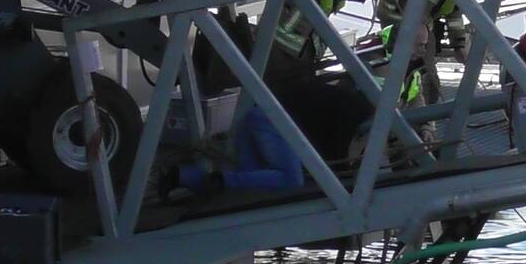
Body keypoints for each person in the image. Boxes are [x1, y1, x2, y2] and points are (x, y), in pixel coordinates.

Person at [159, 80, 373, 199]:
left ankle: (180, 177)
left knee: (249, 181)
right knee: (291, 179)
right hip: (272, 123)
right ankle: (220, 181)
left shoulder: (344, 101)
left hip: (257, 115)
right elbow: (337, 150)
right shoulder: (355, 114)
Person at [375, 0, 497, 106]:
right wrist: (425, 45)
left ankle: (419, 109)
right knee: (417, 67)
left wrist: (458, 45)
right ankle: (408, 109)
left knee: (421, 66)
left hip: (416, 19)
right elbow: (420, 12)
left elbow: (453, 11)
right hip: (398, 16)